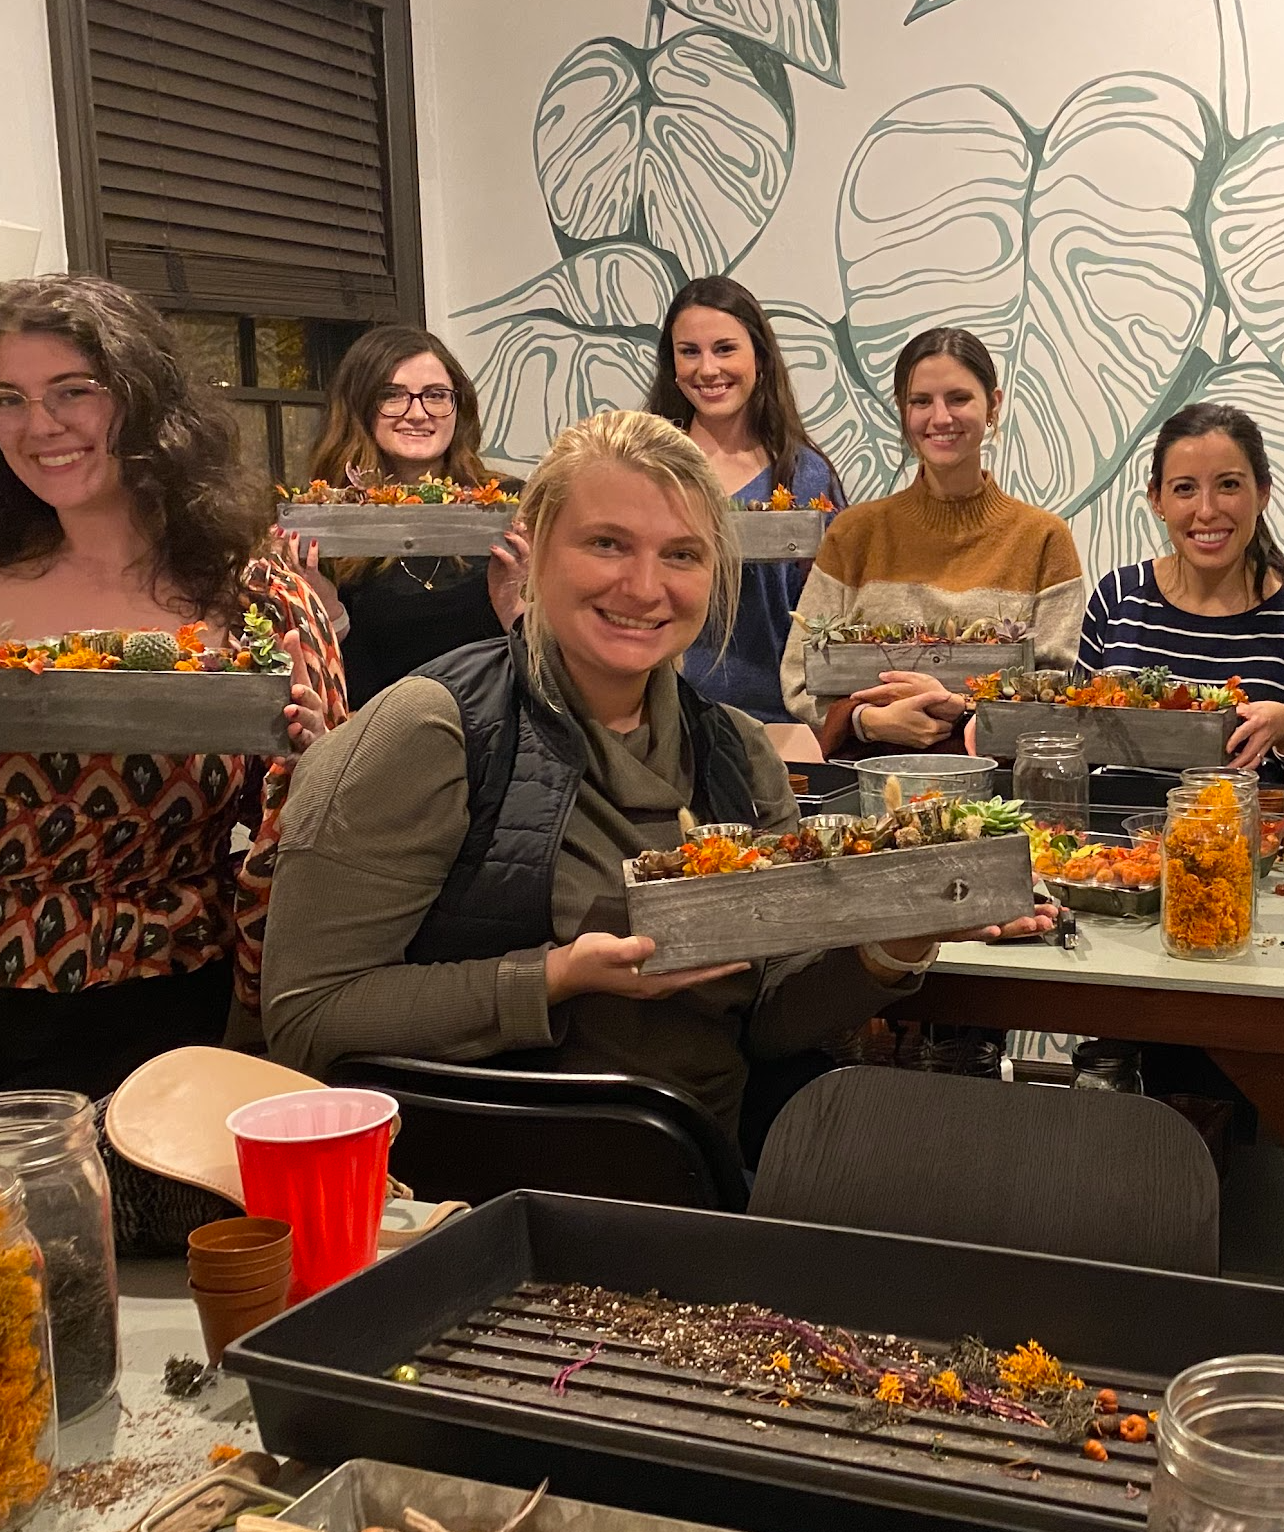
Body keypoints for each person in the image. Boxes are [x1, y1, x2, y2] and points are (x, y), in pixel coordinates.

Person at [261, 410, 1050, 1135]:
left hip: (698, 1172)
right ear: (532, 547)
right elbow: (309, 1016)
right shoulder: (433, 729)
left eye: (680, 554)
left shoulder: (740, 758)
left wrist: (896, 941)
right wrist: (557, 977)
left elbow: (765, 1012)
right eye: (606, 543)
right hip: (472, 1189)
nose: (643, 588)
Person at [0, 273, 347, 1131]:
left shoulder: (251, 596)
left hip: (168, 1016)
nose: (40, 426)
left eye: (74, 392)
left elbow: (326, 826)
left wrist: (317, 758)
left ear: (142, 401)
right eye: (10, 399)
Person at [779, 328, 1082, 756]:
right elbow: (798, 676)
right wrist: (866, 721)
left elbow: (1057, 685)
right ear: (903, 412)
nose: (940, 418)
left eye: (958, 398)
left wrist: (959, 708)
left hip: (995, 789)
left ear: (993, 406)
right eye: (921, 402)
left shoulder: (1044, 539)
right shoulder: (854, 534)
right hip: (866, 782)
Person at [1079, 402, 1284, 770]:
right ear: (1157, 500)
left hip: (1254, 824)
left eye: (1229, 485)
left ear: (1263, 494)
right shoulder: (1117, 598)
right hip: (1116, 823)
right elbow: (1076, 739)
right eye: (1185, 488)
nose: (1206, 510)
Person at [647, 277, 846, 755]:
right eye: (689, 351)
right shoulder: (647, 470)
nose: (708, 368)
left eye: (724, 349)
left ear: (759, 356)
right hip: (660, 728)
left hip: (783, 732)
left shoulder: (807, 477)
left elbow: (835, 619)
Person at [301, 326, 528, 705]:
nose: (418, 413)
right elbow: (331, 685)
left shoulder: (510, 505)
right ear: (359, 407)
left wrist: (515, 601)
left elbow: (556, 660)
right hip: (376, 739)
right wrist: (327, 611)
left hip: (499, 737)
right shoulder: (325, 518)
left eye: (436, 396)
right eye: (392, 396)